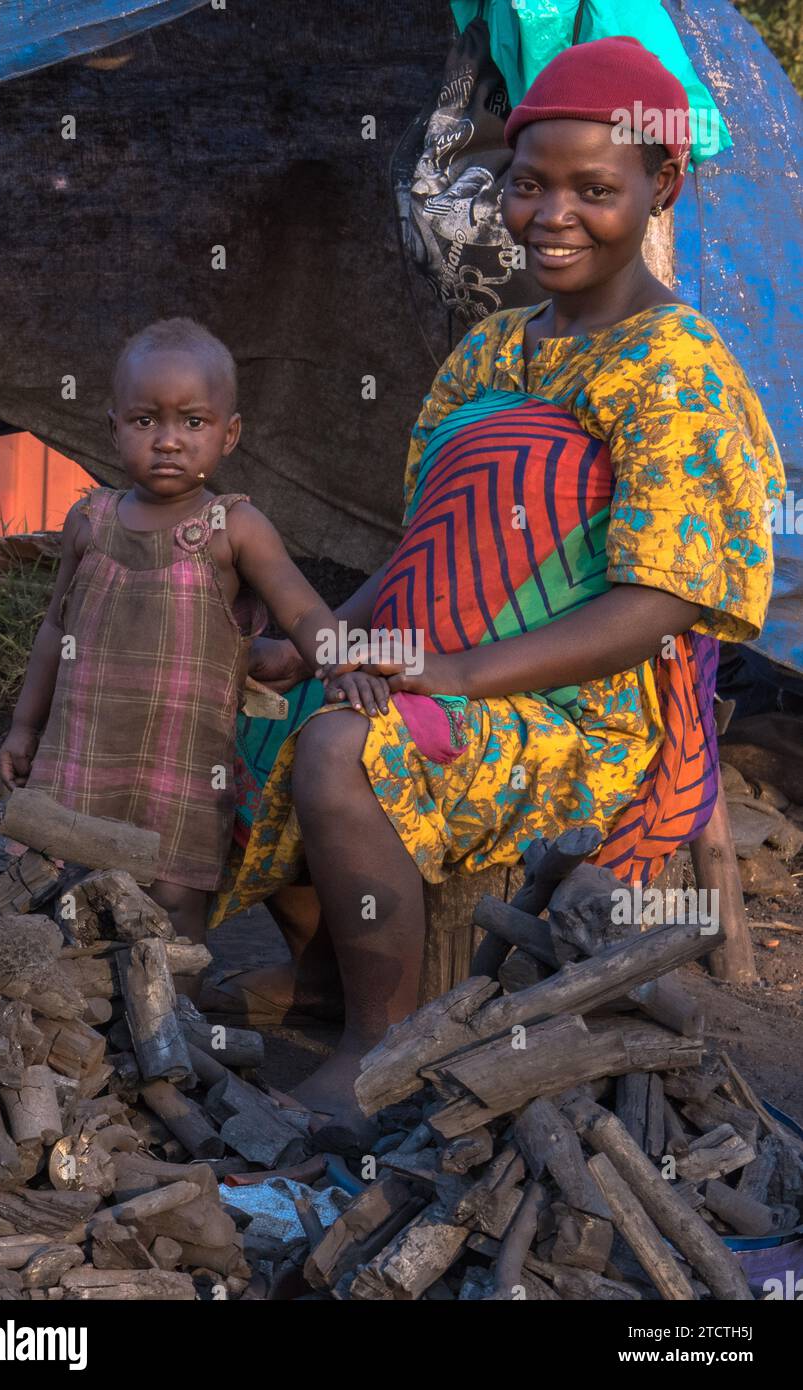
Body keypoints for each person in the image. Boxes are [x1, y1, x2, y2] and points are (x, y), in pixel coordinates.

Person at [216, 35, 783, 1138]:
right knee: (251, 722)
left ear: (662, 185)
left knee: (344, 750)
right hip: (452, 662)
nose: (552, 215)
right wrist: (332, 639)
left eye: (593, 189)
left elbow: (657, 603)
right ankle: (331, 970)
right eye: (529, 185)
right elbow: (427, 541)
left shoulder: (674, 369)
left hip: (585, 708)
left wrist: (455, 671)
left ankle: (387, 1044)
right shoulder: (489, 351)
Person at [0, 317, 364, 997]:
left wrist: (342, 664)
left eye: (192, 422)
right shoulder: (90, 521)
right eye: (144, 420)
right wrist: (24, 727)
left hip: (183, 766)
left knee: (172, 905)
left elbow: (302, 609)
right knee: (68, 892)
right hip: (79, 755)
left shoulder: (233, 529)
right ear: (113, 428)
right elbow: (54, 629)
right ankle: (74, 1033)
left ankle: (178, 1044)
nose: (167, 439)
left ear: (228, 435)